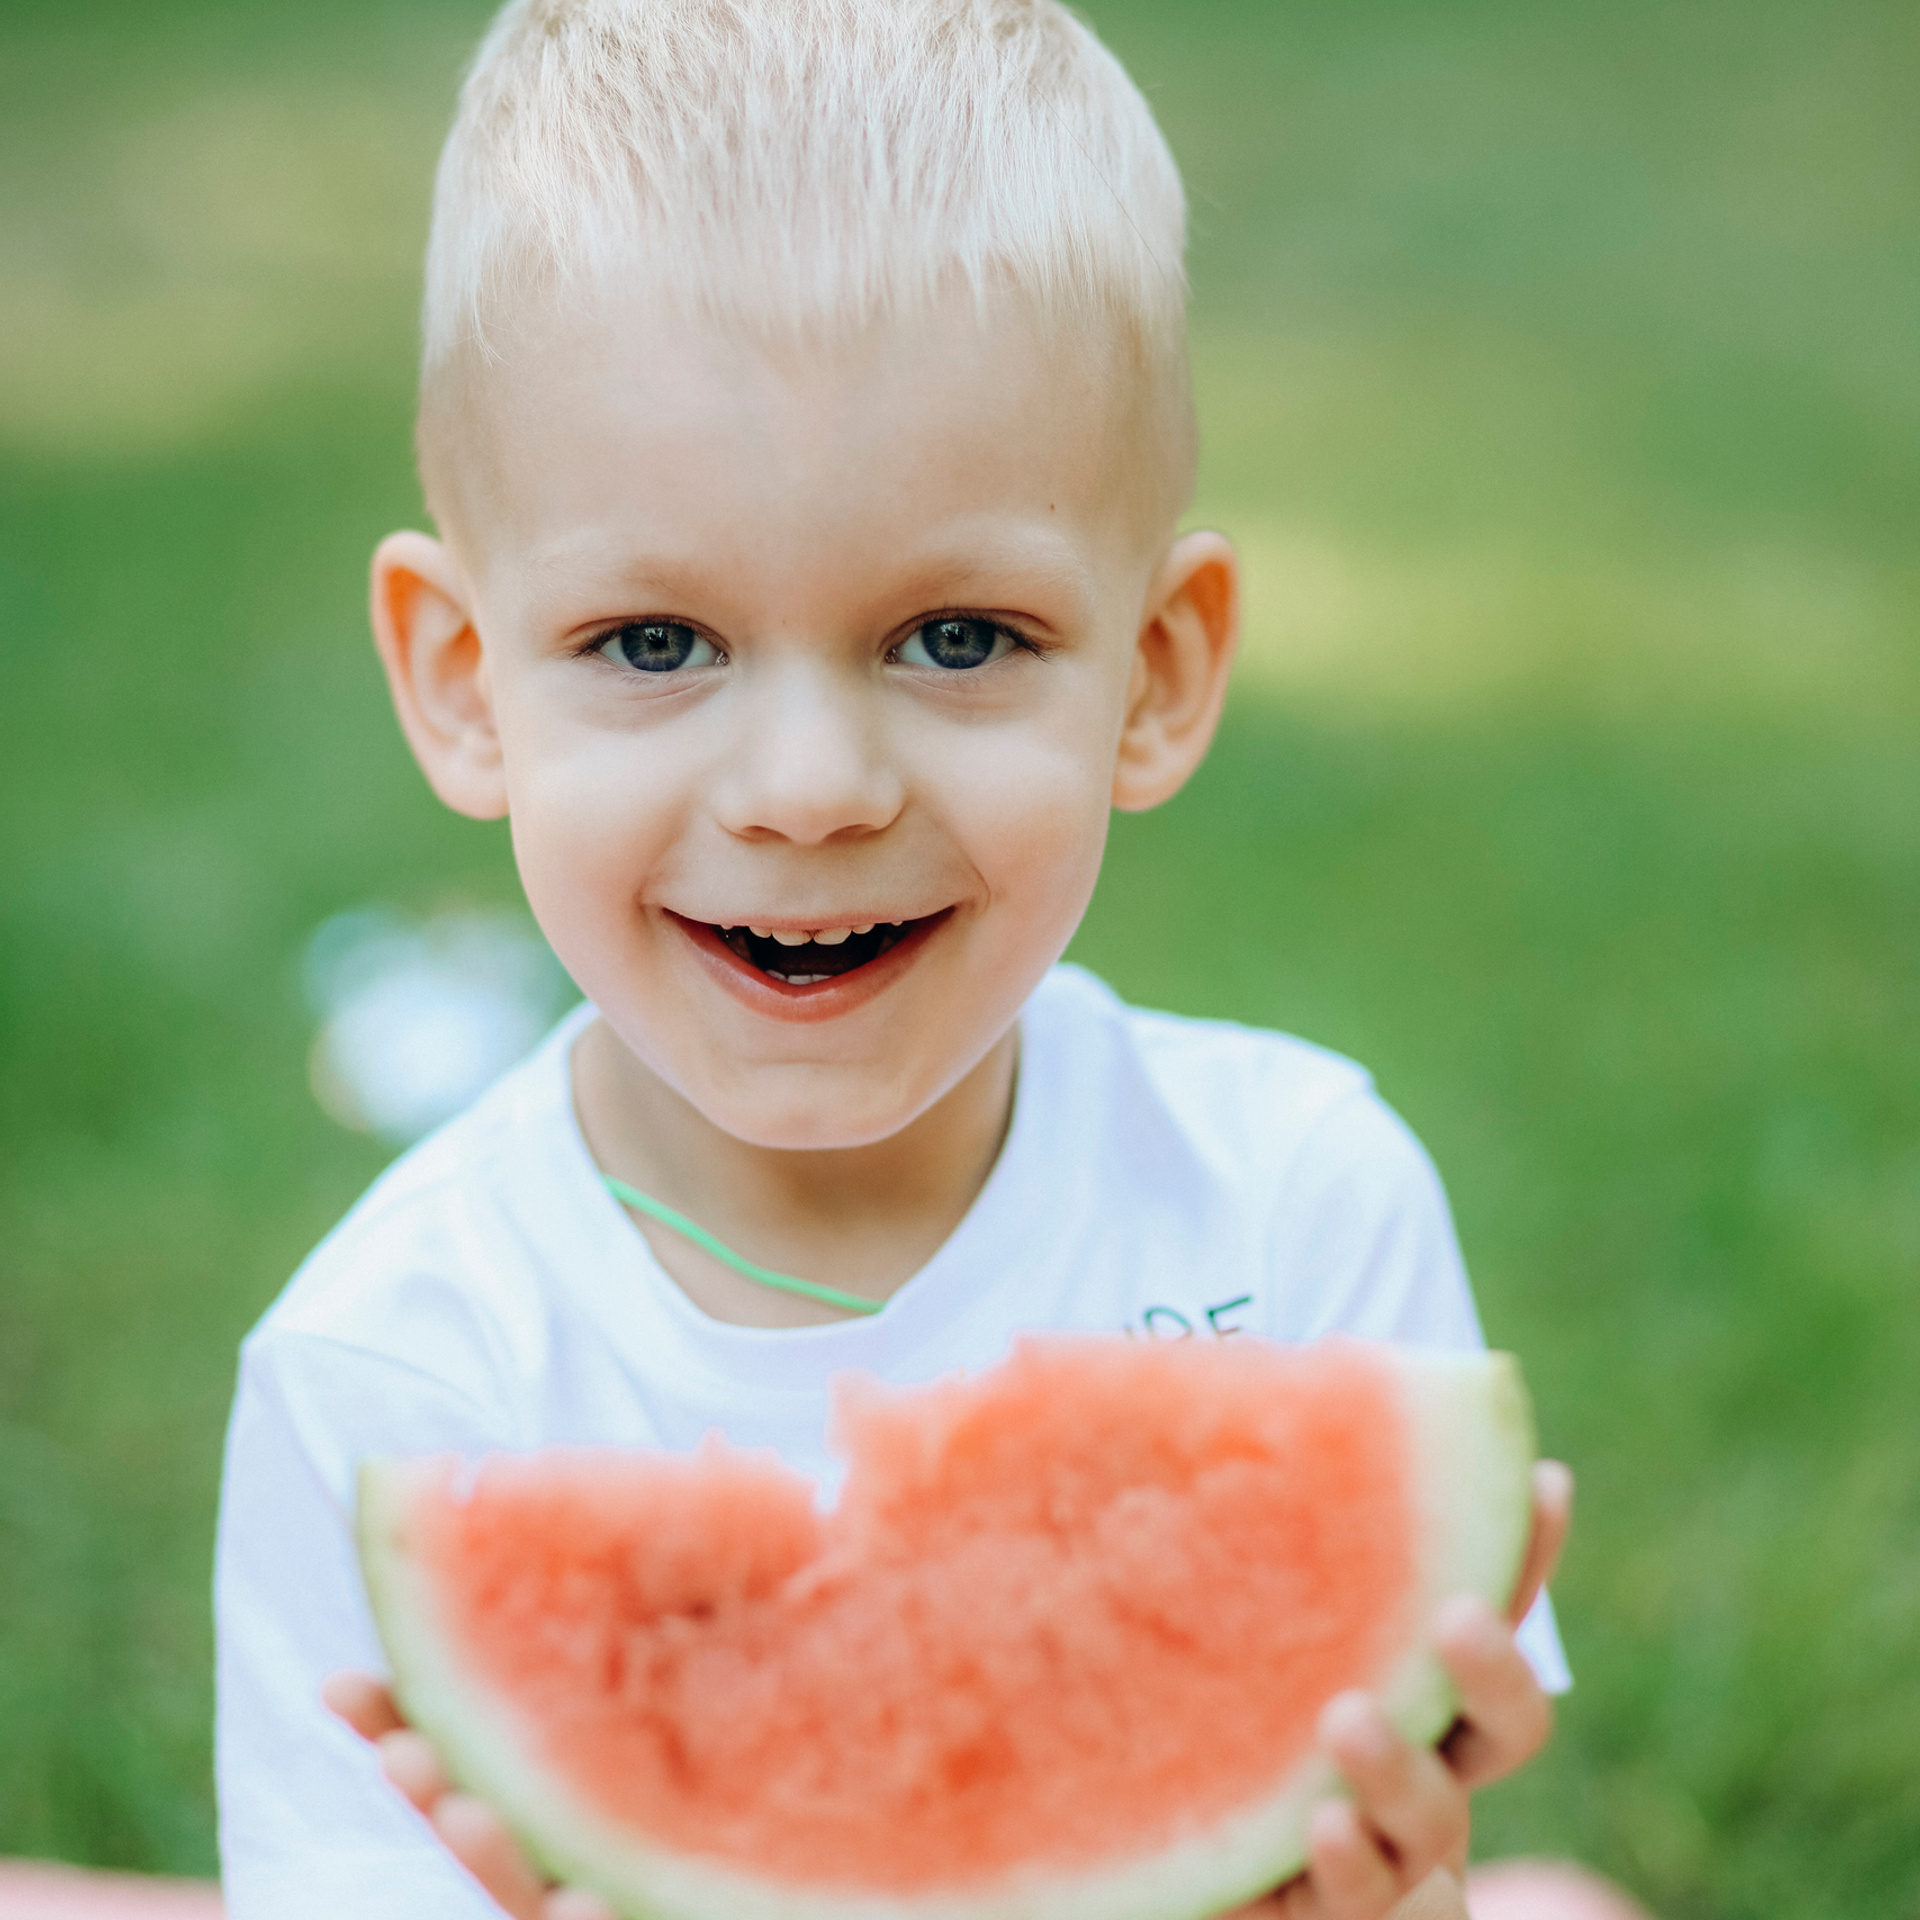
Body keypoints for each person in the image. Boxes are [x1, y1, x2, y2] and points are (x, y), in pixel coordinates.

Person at [213, 2, 1601, 1916]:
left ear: (1159, 672)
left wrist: (1393, 1895)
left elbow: (1378, 1842)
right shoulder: (395, 1372)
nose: (805, 789)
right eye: (652, 642)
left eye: (955, 639)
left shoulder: (1298, 1198)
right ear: (464, 686)